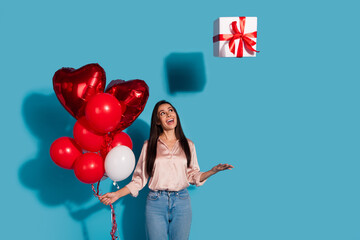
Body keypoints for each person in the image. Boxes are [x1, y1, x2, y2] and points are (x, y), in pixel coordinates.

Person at [100, 100, 233, 240]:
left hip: (182, 202)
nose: (168, 114)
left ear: (175, 114)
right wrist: (117, 194)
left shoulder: (188, 145)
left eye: (170, 110)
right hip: (156, 203)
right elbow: (139, 180)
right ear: (158, 121)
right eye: (162, 113)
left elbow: (192, 176)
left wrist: (212, 171)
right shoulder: (149, 145)